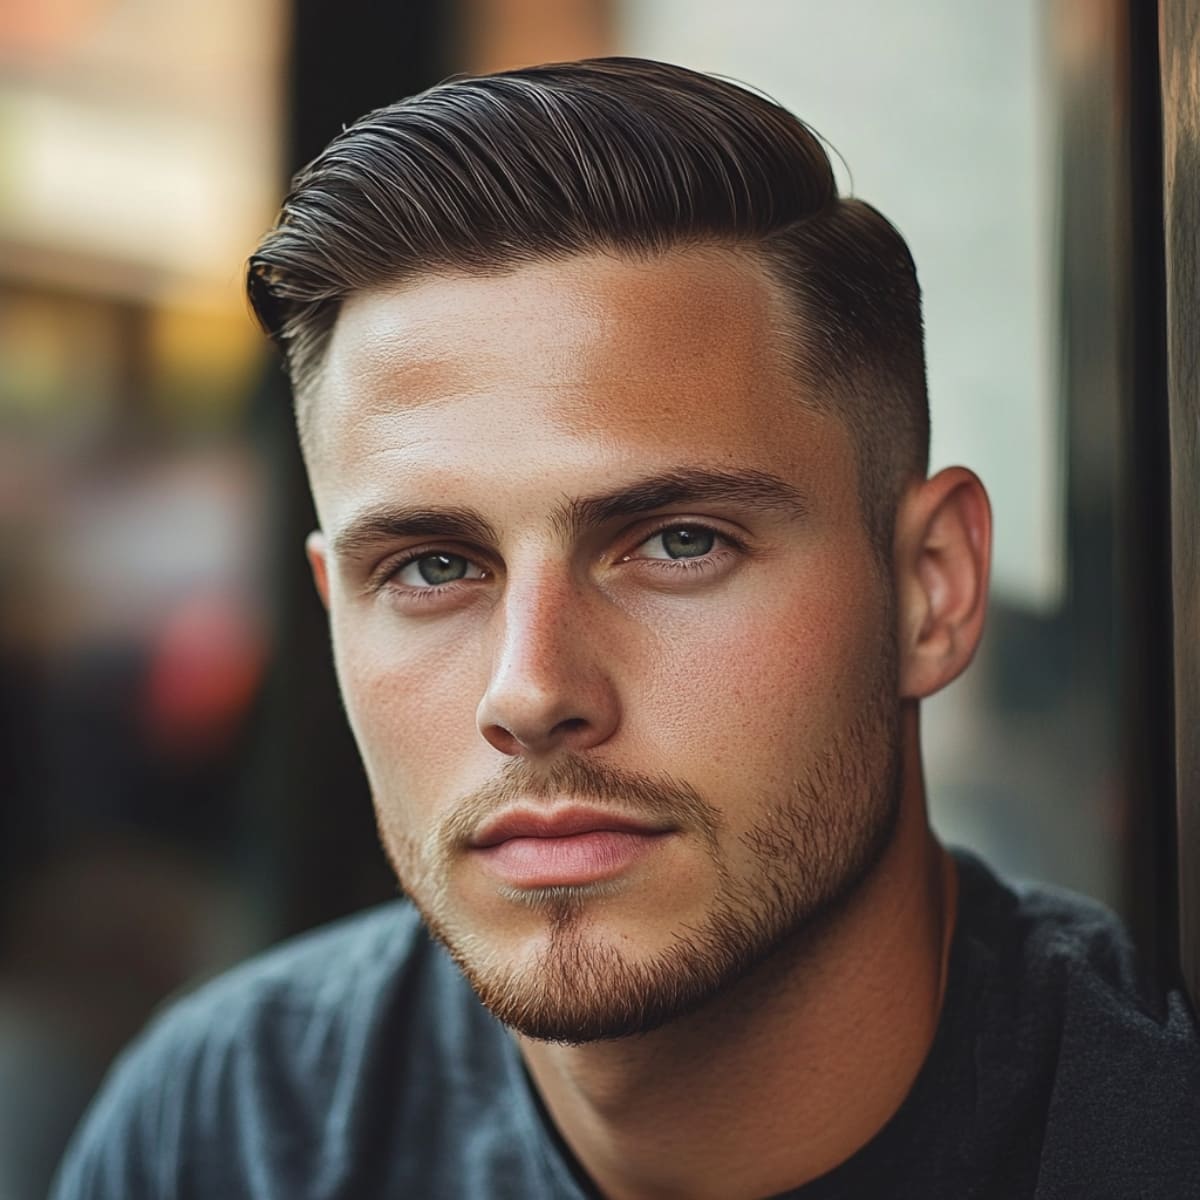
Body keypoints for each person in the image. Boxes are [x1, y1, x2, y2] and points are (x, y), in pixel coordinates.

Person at [52, 57, 1199, 1200]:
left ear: (930, 589)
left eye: (678, 543)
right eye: (433, 567)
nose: (531, 690)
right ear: (332, 619)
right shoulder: (222, 1134)